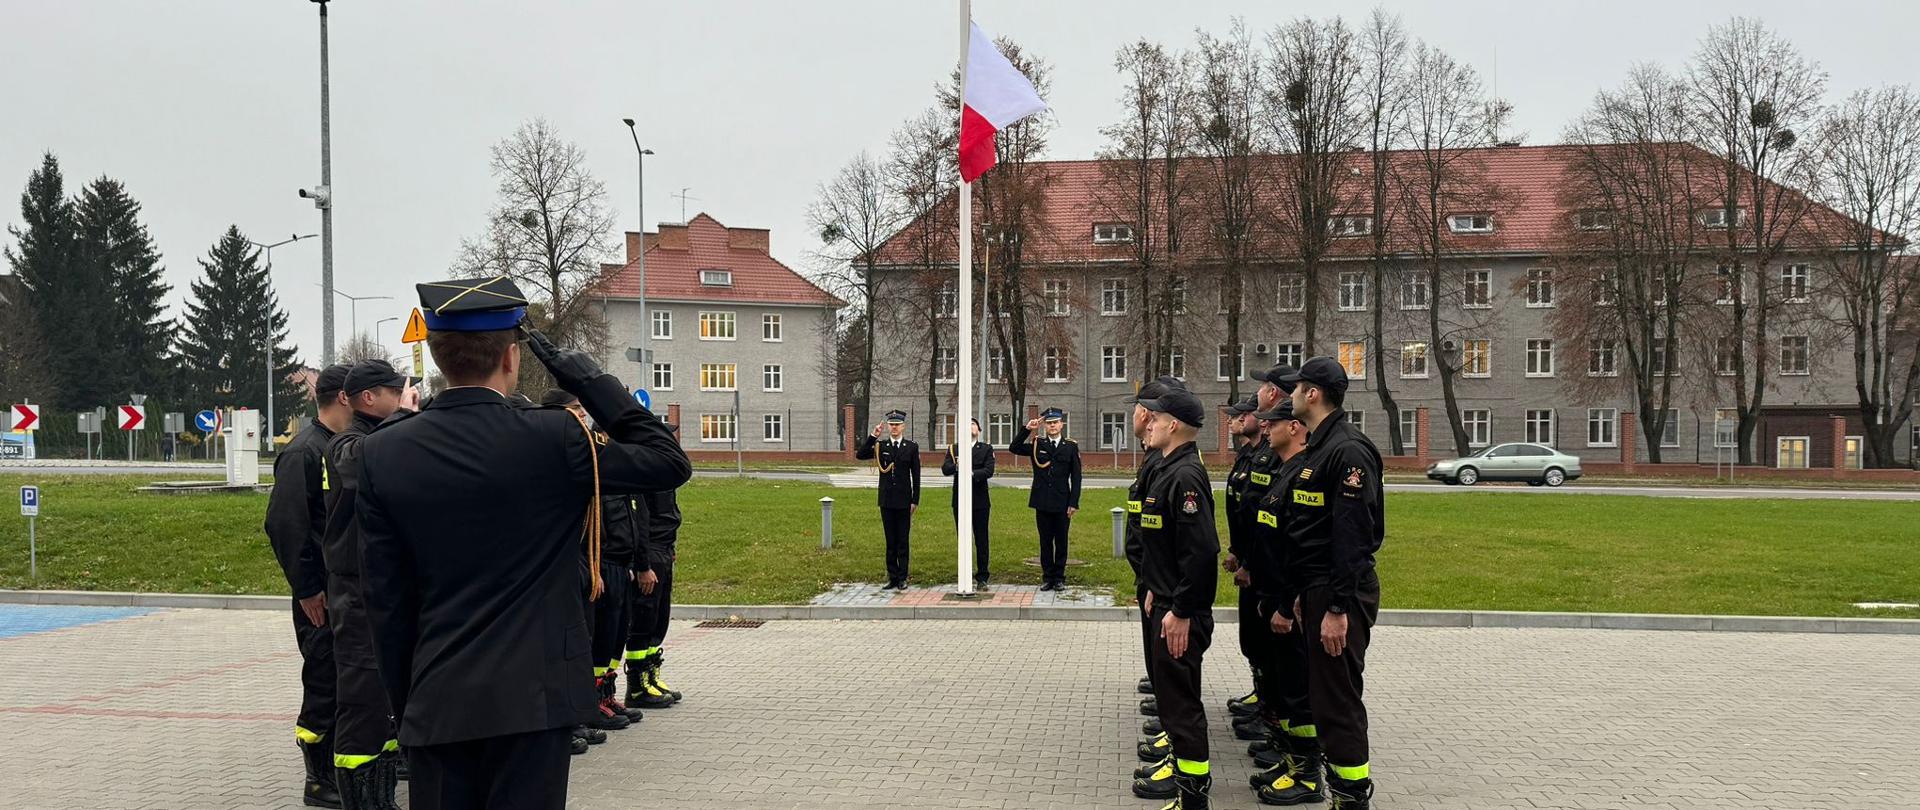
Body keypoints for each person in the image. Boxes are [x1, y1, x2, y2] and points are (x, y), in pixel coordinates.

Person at [357, 277, 692, 809]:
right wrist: (587, 378)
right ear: (511, 358)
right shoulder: (555, 437)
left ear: (439, 356)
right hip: (534, 701)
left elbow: (385, 598)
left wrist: (408, 702)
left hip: (437, 698)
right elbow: (668, 462)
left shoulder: (381, 453)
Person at [1277, 357, 1384, 809]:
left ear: (1314, 393)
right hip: (1318, 591)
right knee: (1325, 699)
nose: (1291, 395)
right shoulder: (1321, 447)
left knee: (1338, 702)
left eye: (1297, 388)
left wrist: (1338, 608)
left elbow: (1352, 537)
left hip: (1340, 593)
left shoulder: (1348, 451)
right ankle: (1342, 791)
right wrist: (1305, 595)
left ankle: (1352, 797)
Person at [321, 358, 415, 807]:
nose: (403, 399)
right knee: (361, 702)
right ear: (368, 398)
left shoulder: (386, 436)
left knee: (386, 701)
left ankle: (383, 797)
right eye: (395, 393)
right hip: (355, 592)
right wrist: (403, 420)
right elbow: (361, 467)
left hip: (386, 589)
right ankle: (360, 800)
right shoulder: (347, 443)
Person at [264, 362, 352, 809]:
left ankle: (339, 767)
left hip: (342, 591)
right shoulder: (305, 451)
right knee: (323, 681)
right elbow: (286, 526)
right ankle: (317, 779)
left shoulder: (339, 446)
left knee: (342, 679)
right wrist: (307, 588)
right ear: (343, 398)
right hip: (319, 595)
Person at [1129, 388, 1220, 810]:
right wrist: (1154, 588)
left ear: (1175, 425)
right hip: (1165, 603)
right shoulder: (1168, 469)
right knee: (1175, 703)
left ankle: (1193, 799)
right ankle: (1188, 792)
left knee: (1182, 710)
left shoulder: (1185, 476)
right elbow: (1164, 547)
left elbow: (1201, 551)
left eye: (1157, 418)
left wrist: (1181, 609)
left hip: (1180, 614)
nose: (1150, 423)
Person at [540, 389, 640, 734]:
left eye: (584, 409)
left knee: (600, 637)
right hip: (569, 568)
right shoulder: (553, 457)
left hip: (591, 564)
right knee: (568, 645)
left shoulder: (590, 454)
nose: (582, 415)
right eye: (576, 409)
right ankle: (572, 712)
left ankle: (594, 699)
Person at [1244, 397, 1323, 805]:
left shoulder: (1303, 475)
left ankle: (1309, 776)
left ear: (1293, 427)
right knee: (1282, 688)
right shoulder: (1285, 471)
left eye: (1274, 421)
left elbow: (1301, 548)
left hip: (1287, 605)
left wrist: (1285, 602)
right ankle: (1293, 761)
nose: (1266, 426)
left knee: (1297, 693)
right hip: (1271, 596)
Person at [1124, 375, 1185, 746]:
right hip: (1153, 577)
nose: (1141, 420)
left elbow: (1193, 548)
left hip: (1163, 582)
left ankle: (1177, 740)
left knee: (1176, 673)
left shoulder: (1177, 471)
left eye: (1140, 412)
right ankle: (1168, 711)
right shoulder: (1157, 461)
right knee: (1163, 665)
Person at [1220, 395, 1267, 738]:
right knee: (1251, 637)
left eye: (1240, 415)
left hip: (1262, 566)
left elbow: (1261, 517)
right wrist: (1237, 550)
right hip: (1248, 558)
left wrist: (1249, 561)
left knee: (1264, 640)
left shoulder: (1265, 458)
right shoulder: (1246, 456)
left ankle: (1270, 708)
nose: (1232, 420)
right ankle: (1262, 695)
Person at [1009, 407, 1083, 590]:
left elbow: (1076, 476)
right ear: (1044, 426)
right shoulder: (1037, 443)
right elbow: (1014, 448)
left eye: (1055, 422)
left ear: (1061, 424)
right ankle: (1048, 577)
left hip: (1062, 501)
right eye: (1049, 423)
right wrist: (1027, 429)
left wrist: (1074, 502)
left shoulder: (1070, 446)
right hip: (1042, 500)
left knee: (1061, 541)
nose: (1052, 426)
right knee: (1045, 541)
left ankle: (1059, 578)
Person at [626, 479, 684, 710]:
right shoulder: (646, 475)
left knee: (658, 620)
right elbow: (640, 522)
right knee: (644, 619)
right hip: (650, 552)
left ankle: (650, 676)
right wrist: (643, 565)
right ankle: (637, 687)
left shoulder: (663, 472)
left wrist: (671, 547)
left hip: (663, 549)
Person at [853, 410, 920, 589]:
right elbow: (860, 455)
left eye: (897, 425)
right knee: (890, 540)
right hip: (887, 499)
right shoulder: (880, 446)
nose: (894, 428)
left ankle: (903, 577)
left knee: (902, 540)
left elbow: (916, 475)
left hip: (904, 500)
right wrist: (873, 436)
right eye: (892, 425)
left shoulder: (911, 447)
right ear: (888, 427)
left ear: (903, 426)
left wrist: (915, 500)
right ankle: (893, 577)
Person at [940, 417, 995, 588]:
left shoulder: (986, 449)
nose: (970, 426)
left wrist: (970, 473)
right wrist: (957, 466)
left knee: (981, 539)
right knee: (963, 538)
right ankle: (964, 574)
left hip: (979, 500)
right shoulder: (954, 448)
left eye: (973, 424)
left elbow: (988, 470)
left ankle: (982, 576)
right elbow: (945, 469)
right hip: (959, 500)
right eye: (967, 424)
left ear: (978, 430)